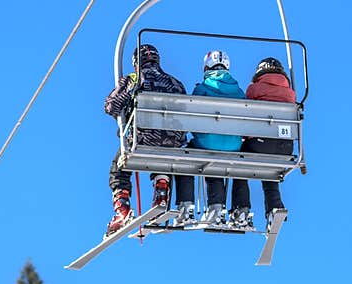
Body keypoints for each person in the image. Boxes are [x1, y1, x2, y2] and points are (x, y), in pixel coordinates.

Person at [104, 44, 195, 235]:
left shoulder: (135, 79)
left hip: (142, 138)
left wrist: (127, 99)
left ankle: (122, 210)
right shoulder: (176, 83)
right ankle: (161, 191)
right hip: (172, 142)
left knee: (118, 168)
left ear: (137, 61)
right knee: (162, 154)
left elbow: (111, 106)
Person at [230, 57, 298, 229]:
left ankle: (241, 208)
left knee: (238, 166)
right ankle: (275, 207)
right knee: (270, 170)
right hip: (285, 146)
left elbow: (248, 116)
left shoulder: (254, 89)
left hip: (259, 142)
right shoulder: (291, 94)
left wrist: (245, 136)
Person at [189, 50, 246, 225]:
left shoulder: (202, 88)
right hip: (234, 145)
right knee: (238, 163)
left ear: (206, 67)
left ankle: (215, 205)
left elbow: (191, 117)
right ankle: (242, 209)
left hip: (208, 143)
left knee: (204, 154)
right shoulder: (239, 91)